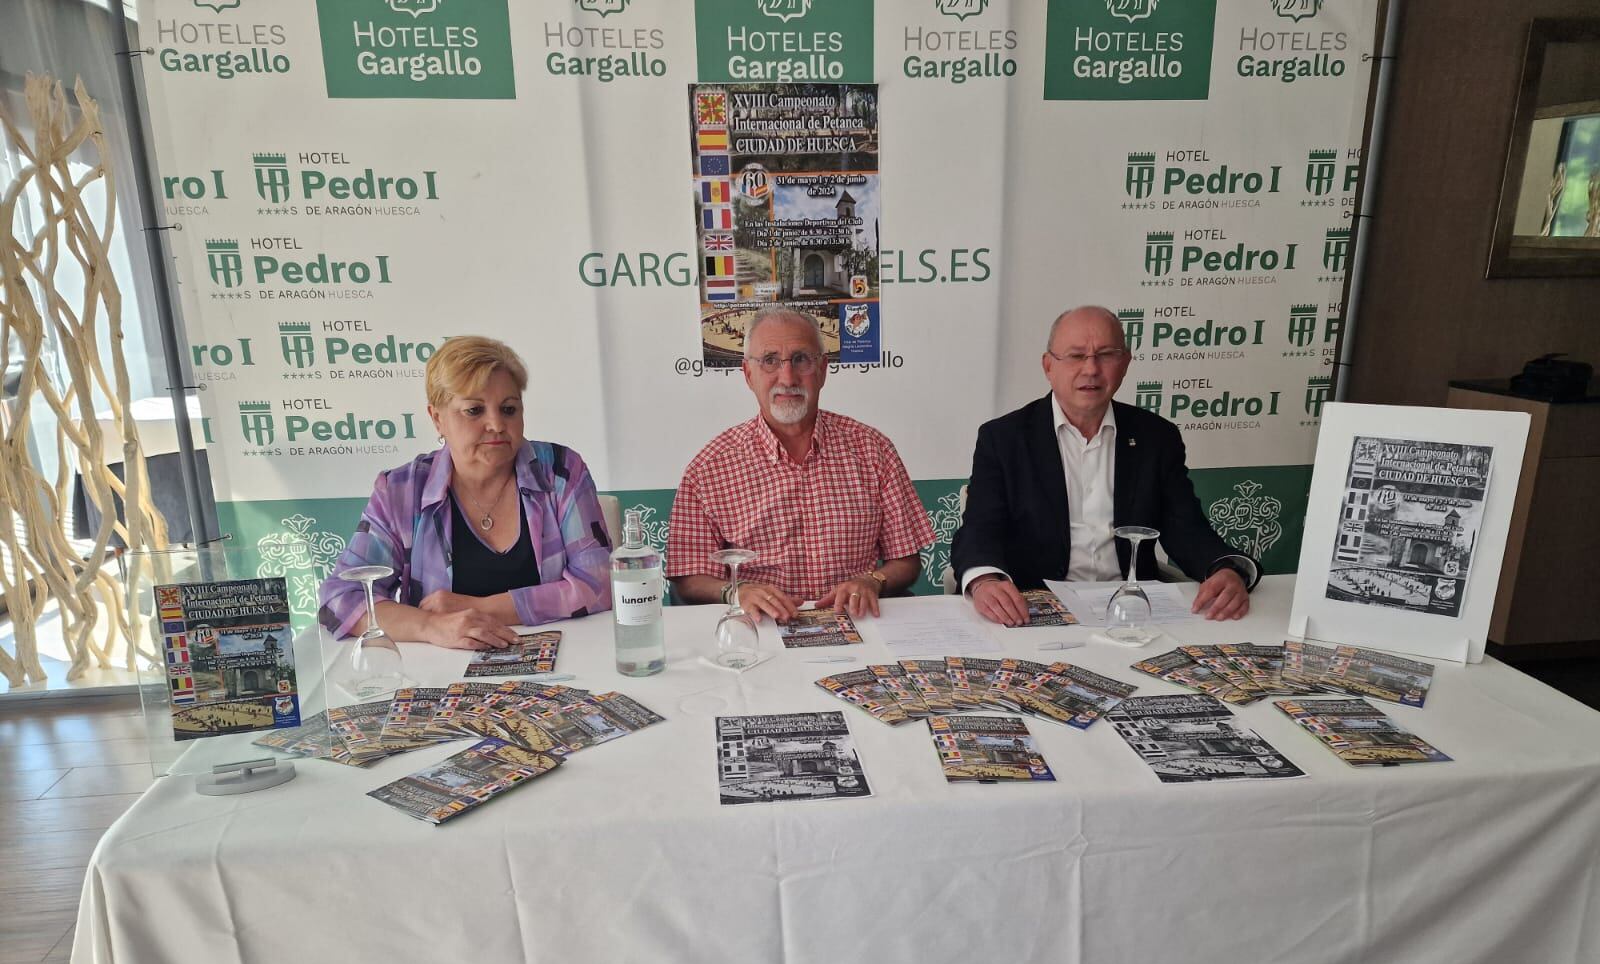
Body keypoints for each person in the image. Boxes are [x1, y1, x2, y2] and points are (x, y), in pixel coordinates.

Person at [951, 305, 1257, 627]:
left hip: (1131, 612)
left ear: (1125, 363)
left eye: (1106, 354)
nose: (1091, 369)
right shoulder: (1004, 438)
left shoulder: (1156, 437)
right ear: (1048, 366)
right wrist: (984, 580)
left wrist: (1224, 569)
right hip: (1034, 611)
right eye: (1075, 356)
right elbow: (980, 528)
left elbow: (1186, 529)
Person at [318, 335, 612, 649]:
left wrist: (481, 609)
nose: (497, 424)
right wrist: (431, 626)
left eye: (509, 409)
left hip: (563, 658)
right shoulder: (401, 491)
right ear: (437, 418)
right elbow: (339, 600)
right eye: (474, 411)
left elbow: (600, 583)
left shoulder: (560, 471)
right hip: (443, 670)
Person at [667, 306, 933, 620]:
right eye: (769, 361)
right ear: (748, 375)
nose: (788, 377)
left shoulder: (873, 451)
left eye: (801, 359)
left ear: (822, 370)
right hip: (758, 630)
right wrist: (736, 591)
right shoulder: (709, 468)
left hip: (855, 624)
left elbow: (906, 560)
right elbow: (688, 577)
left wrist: (872, 580)